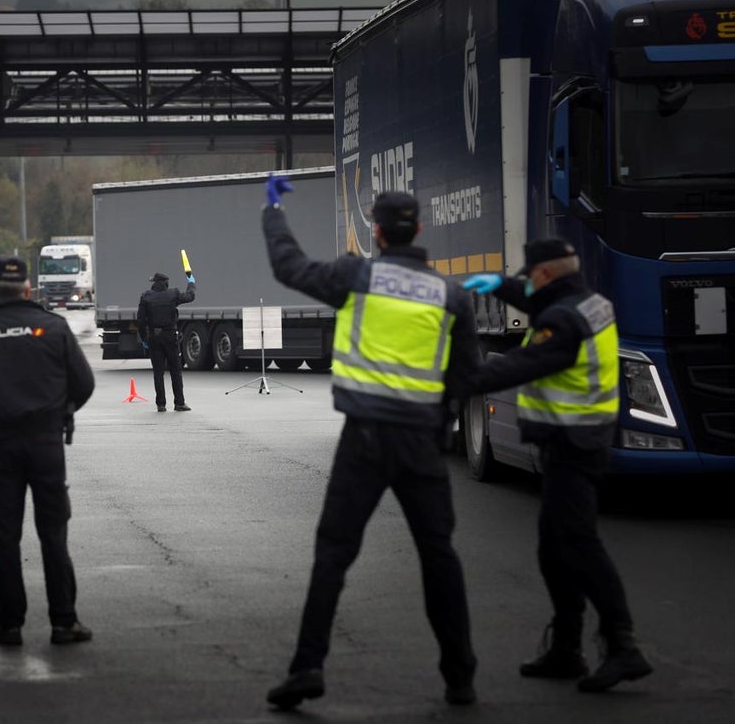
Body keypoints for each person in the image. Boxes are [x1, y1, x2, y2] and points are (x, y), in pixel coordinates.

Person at [261, 176, 481, 709]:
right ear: (419, 231)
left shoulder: (355, 275)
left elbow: (289, 268)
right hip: (421, 444)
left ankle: (308, 667)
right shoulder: (450, 296)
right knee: (438, 557)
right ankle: (460, 676)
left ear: (377, 233)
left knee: (333, 554)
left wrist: (273, 213)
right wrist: (439, 423)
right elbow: (463, 377)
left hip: (363, 439)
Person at [460, 238, 653, 693]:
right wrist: (504, 286)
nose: (527, 281)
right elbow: (539, 298)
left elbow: (527, 362)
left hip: (572, 442)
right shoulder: (589, 302)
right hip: (582, 438)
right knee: (554, 548)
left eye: (530, 274)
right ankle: (567, 648)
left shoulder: (561, 320)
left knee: (579, 545)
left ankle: (622, 645)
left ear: (546, 274)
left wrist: (459, 380)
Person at [0, 256, 95, 647]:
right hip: (46, 445)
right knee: (54, 533)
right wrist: (59, 412)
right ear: (28, 290)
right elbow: (84, 384)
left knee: (7, 536)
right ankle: (64, 622)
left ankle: (9, 624)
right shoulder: (54, 327)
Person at [136, 271, 195, 412]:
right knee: (175, 370)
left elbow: (140, 321)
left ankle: (161, 404)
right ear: (166, 283)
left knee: (158, 372)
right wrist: (191, 283)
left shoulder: (146, 297)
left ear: (155, 283)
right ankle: (179, 403)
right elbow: (190, 296)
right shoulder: (173, 294)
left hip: (154, 338)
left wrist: (144, 338)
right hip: (170, 336)